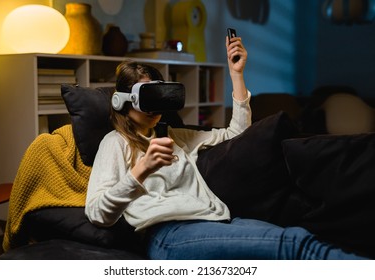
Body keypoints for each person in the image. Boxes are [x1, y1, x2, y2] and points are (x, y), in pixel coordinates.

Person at [84, 35, 367, 260]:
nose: (156, 106)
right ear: (122, 101)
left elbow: (238, 134)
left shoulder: (177, 137)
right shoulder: (115, 143)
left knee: (301, 236)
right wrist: (140, 171)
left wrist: (237, 74)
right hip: (168, 235)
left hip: (218, 221)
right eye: (148, 96)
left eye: (161, 94)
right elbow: (97, 213)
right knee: (294, 245)